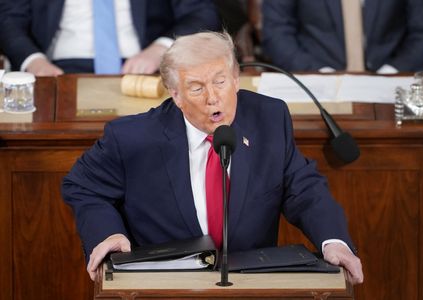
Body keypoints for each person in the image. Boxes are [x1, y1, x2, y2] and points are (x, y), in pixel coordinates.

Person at [61, 31, 364, 284]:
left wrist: (333, 240)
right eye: (196, 87)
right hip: (168, 288)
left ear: (235, 79)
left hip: (252, 285)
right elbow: (83, 186)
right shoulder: (132, 137)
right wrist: (108, 233)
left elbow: (303, 188)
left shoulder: (269, 119)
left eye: (220, 82)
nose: (212, 98)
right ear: (176, 95)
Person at [0, 0, 220, 75]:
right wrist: (33, 61)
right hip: (55, 71)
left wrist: (160, 49)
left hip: (146, 68)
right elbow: (8, 17)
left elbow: (202, 13)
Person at [262, 0, 423, 73]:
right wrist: (320, 74)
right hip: (315, 81)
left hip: (392, 79)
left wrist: (392, 72)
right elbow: (276, 32)